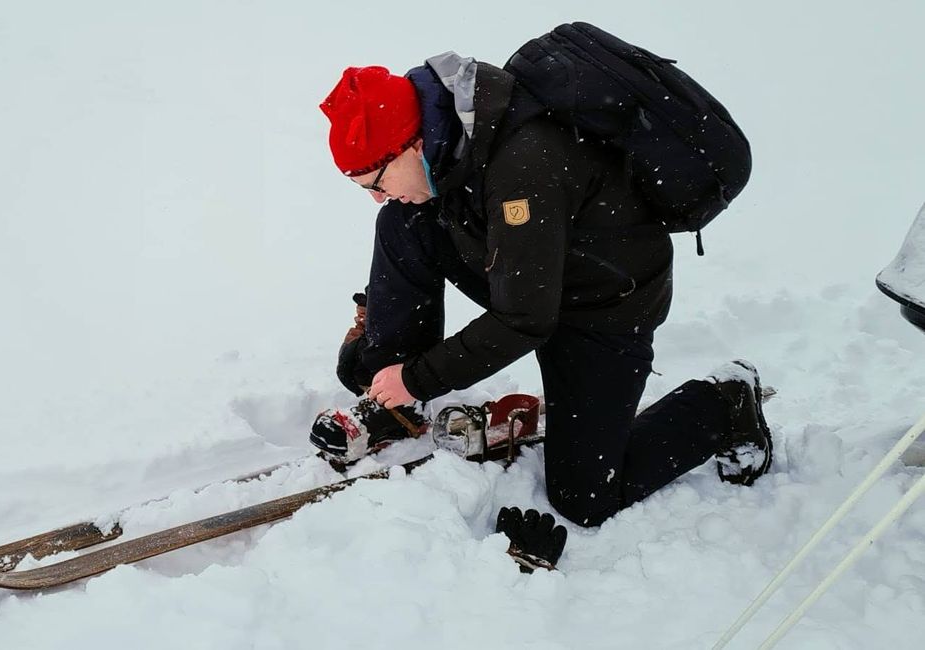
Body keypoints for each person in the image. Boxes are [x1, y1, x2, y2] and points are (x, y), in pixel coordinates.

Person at [310, 54, 773, 527]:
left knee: (584, 499)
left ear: (411, 145)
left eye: (377, 181)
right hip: (530, 267)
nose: (376, 195)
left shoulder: (523, 169)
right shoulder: (453, 138)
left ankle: (724, 404)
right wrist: (393, 365)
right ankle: (390, 401)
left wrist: (419, 378)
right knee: (404, 220)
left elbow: (524, 320)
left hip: (603, 308)